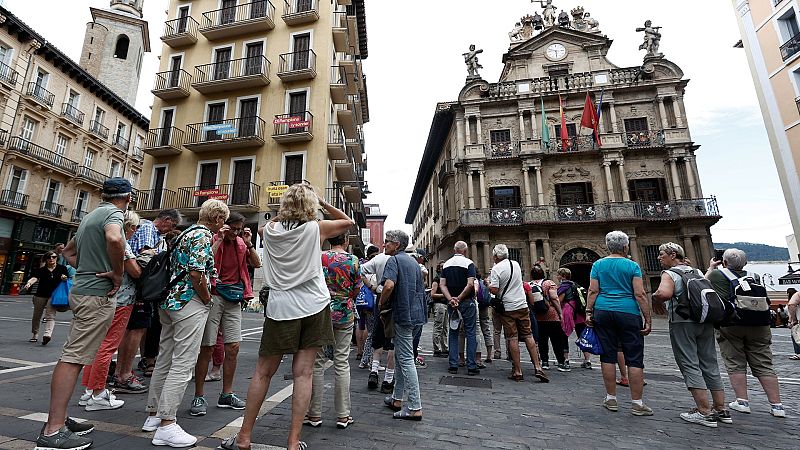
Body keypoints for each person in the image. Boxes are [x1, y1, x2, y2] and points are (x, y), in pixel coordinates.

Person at [220, 183, 353, 450]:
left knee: (262, 372)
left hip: (281, 309)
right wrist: (321, 202)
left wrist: (284, 212)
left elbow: (269, 225)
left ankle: (244, 436)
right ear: (310, 207)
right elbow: (347, 221)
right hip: (314, 306)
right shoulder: (316, 228)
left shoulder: (268, 231)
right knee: (303, 374)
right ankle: (293, 441)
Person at [35, 177, 131, 450]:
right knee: (73, 357)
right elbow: (114, 238)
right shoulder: (114, 214)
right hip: (96, 295)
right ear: (128, 197)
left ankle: (60, 419)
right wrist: (117, 273)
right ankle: (53, 431)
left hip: (83, 291)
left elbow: (68, 252)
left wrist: (88, 267)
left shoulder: (91, 216)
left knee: (73, 353)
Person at [143, 199, 229, 447]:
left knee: (165, 359)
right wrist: (206, 299)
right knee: (183, 363)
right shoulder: (202, 235)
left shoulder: (185, 233)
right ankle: (168, 424)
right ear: (218, 219)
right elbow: (196, 273)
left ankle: (153, 415)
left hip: (168, 303)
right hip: (188, 302)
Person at [652, 242, 730, 427]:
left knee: (689, 362)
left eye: (661, 254)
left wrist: (655, 298)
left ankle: (704, 411)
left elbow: (664, 293)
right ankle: (721, 409)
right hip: (704, 320)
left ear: (672, 255)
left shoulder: (669, 273)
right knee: (710, 362)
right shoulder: (696, 271)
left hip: (682, 322)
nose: (659, 257)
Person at [191, 212, 260, 416]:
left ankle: (226, 394)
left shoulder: (240, 243)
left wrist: (248, 244)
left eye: (239, 229)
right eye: (234, 228)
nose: (236, 233)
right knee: (208, 346)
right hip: (213, 294)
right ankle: (199, 395)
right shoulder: (213, 239)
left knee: (233, 347)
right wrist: (220, 239)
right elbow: (204, 261)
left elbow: (256, 263)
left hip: (234, 296)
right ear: (224, 226)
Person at [706, 248, 785, 418]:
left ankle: (742, 401)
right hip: (759, 323)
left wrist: (712, 268)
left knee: (735, 361)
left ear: (724, 262)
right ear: (745, 263)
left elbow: (703, 285)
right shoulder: (754, 276)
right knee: (764, 362)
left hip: (732, 324)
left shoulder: (717, 275)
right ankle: (777, 406)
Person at [79, 210, 144, 410]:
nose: (136, 231)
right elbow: (135, 271)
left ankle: (89, 391)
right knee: (108, 346)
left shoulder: (98, 241)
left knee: (96, 344)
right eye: (135, 227)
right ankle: (98, 392)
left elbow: (70, 253)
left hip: (97, 295)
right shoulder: (121, 243)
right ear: (129, 227)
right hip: (121, 299)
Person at [585, 230, 652, 416]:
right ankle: (637, 403)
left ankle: (611, 398)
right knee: (634, 358)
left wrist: (589, 312)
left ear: (607, 246)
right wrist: (647, 317)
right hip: (628, 312)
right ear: (625, 247)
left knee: (607, 356)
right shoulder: (632, 266)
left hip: (603, 311)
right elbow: (640, 294)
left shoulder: (598, 264)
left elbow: (592, 291)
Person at [116, 208, 181, 382]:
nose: (170, 228)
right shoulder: (147, 229)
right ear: (166, 220)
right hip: (138, 286)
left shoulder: (156, 235)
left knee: (138, 328)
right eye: (172, 225)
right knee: (134, 329)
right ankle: (124, 373)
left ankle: (124, 370)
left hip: (139, 286)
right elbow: (146, 257)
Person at [305, 232, 360, 429]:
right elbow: (356, 287)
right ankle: (343, 416)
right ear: (345, 241)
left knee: (317, 363)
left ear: (329, 241)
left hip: (321, 311)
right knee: (342, 362)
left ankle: (314, 414)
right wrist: (344, 297)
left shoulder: (320, 257)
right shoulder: (352, 260)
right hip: (344, 312)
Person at [381, 230, 427, 420]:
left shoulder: (394, 261)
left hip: (403, 315)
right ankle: (396, 398)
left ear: (397, 245)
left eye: (387, 242)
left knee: (406, 359)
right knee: (401, 357)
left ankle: (415, 406)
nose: (385, 245)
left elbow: (389, 285)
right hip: (417, 315)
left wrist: (381, 302)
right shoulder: (414, 262)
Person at [488, 244, 548, 383]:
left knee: (512, 338)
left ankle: (518, 371)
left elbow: (495, 290)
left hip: (508, 308)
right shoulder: (515, 264)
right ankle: (538, 367)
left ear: (495, 256)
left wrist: (488, 285)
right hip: (522, 305)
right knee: (528, 335)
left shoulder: (496, 269)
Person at [440, 241, 479, 375]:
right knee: (470, 332)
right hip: (467, 302)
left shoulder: (446, 264)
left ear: (454, 250)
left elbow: (442, 285)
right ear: (465, 251)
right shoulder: (469, 263)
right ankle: (471, 366)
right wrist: (460, 298)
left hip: (452, 304)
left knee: (453, 332)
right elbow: (469, 284)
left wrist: (451, 299)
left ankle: (453, 365)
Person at [361, 245, 396, 392]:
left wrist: (372, 287)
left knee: (378, 335)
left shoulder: (379, 258)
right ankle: (388, 379)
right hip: (395, 299)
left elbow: (361, 270)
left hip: (380, 297)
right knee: (393, 340)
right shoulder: (401, 259)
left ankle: (374, 371)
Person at [23, 251, 69, 345]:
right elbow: (35, 278)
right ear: (46, 259)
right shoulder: (42, 270)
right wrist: (29, 283)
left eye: (54, 257)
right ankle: (35, 334)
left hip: (53, 296)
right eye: (49, 257)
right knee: (36, 316)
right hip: (40, 295)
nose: (51, 259)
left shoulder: (62, 268)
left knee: (50, 316)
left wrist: (64, 278)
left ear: (57, 258)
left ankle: (47, 335)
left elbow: (66, 278)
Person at [556, 268, 591, 370]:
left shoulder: (564, 287)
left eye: (558, 275)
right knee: (582, 335)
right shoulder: (576, 285)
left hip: (568, 311)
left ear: (563, 276)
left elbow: (559, 301)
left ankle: (566, 360)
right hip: (579, 313)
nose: (557, 277)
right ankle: (587, 360)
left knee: (564, 335)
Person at [531, 265, 562, 370]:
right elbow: (554, 298)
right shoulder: (549, 283)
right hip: (552, 315)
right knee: (556, 340)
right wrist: (560, 313)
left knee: (542, 341)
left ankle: (544, 362)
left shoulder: (529, 285)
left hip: (538, 317)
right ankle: (561, 362)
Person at [430, 262, 448, 357]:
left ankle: (445, 348)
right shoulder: (436, 279)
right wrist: (445, 295)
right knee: (438, 327)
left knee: (444, 328)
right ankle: (437, 349)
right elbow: (433, 294)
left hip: (445, 305)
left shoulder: (445, 279)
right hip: (439, 305)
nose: (443, 268)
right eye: (441, 266)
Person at [788, 288, 800, 360]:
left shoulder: (798, 294)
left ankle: (798, 353)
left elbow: (791, 304)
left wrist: (794, 319)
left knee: (796, 335)